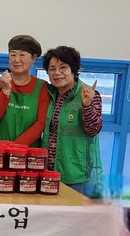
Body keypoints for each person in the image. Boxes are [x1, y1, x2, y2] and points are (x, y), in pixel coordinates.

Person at [42, 45, 103, 196]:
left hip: (76, 174)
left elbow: (93, 130)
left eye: (63, 67)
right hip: (47, 171)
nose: (57, 73)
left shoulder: (89, 94)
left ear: (74, 70)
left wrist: (87, 106)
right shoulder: (49, 93)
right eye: (52, 69)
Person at [0, 35, 49, 146]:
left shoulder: (42, 87)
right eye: (13, 55)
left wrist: (15, 147)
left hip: (28, 151)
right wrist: (5, 91)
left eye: (22, 55)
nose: (16, 60)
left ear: (34, 58)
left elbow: (41, 124)